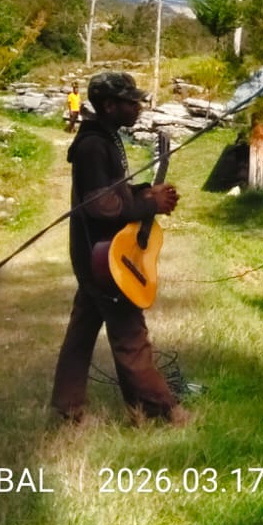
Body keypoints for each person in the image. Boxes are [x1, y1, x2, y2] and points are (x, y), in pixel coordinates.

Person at [49, 71, 188, 425]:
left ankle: (69, 407)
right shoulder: (94, 145)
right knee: (131, 335)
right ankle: (162, 410)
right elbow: (101, 207)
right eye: (131, 102)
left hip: (93, 254)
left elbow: (113, 191)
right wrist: (148, 206)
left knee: (82, 331)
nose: (138, 107)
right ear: (110, 105)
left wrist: (143, 191)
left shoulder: (104, 137)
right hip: (105, 257)